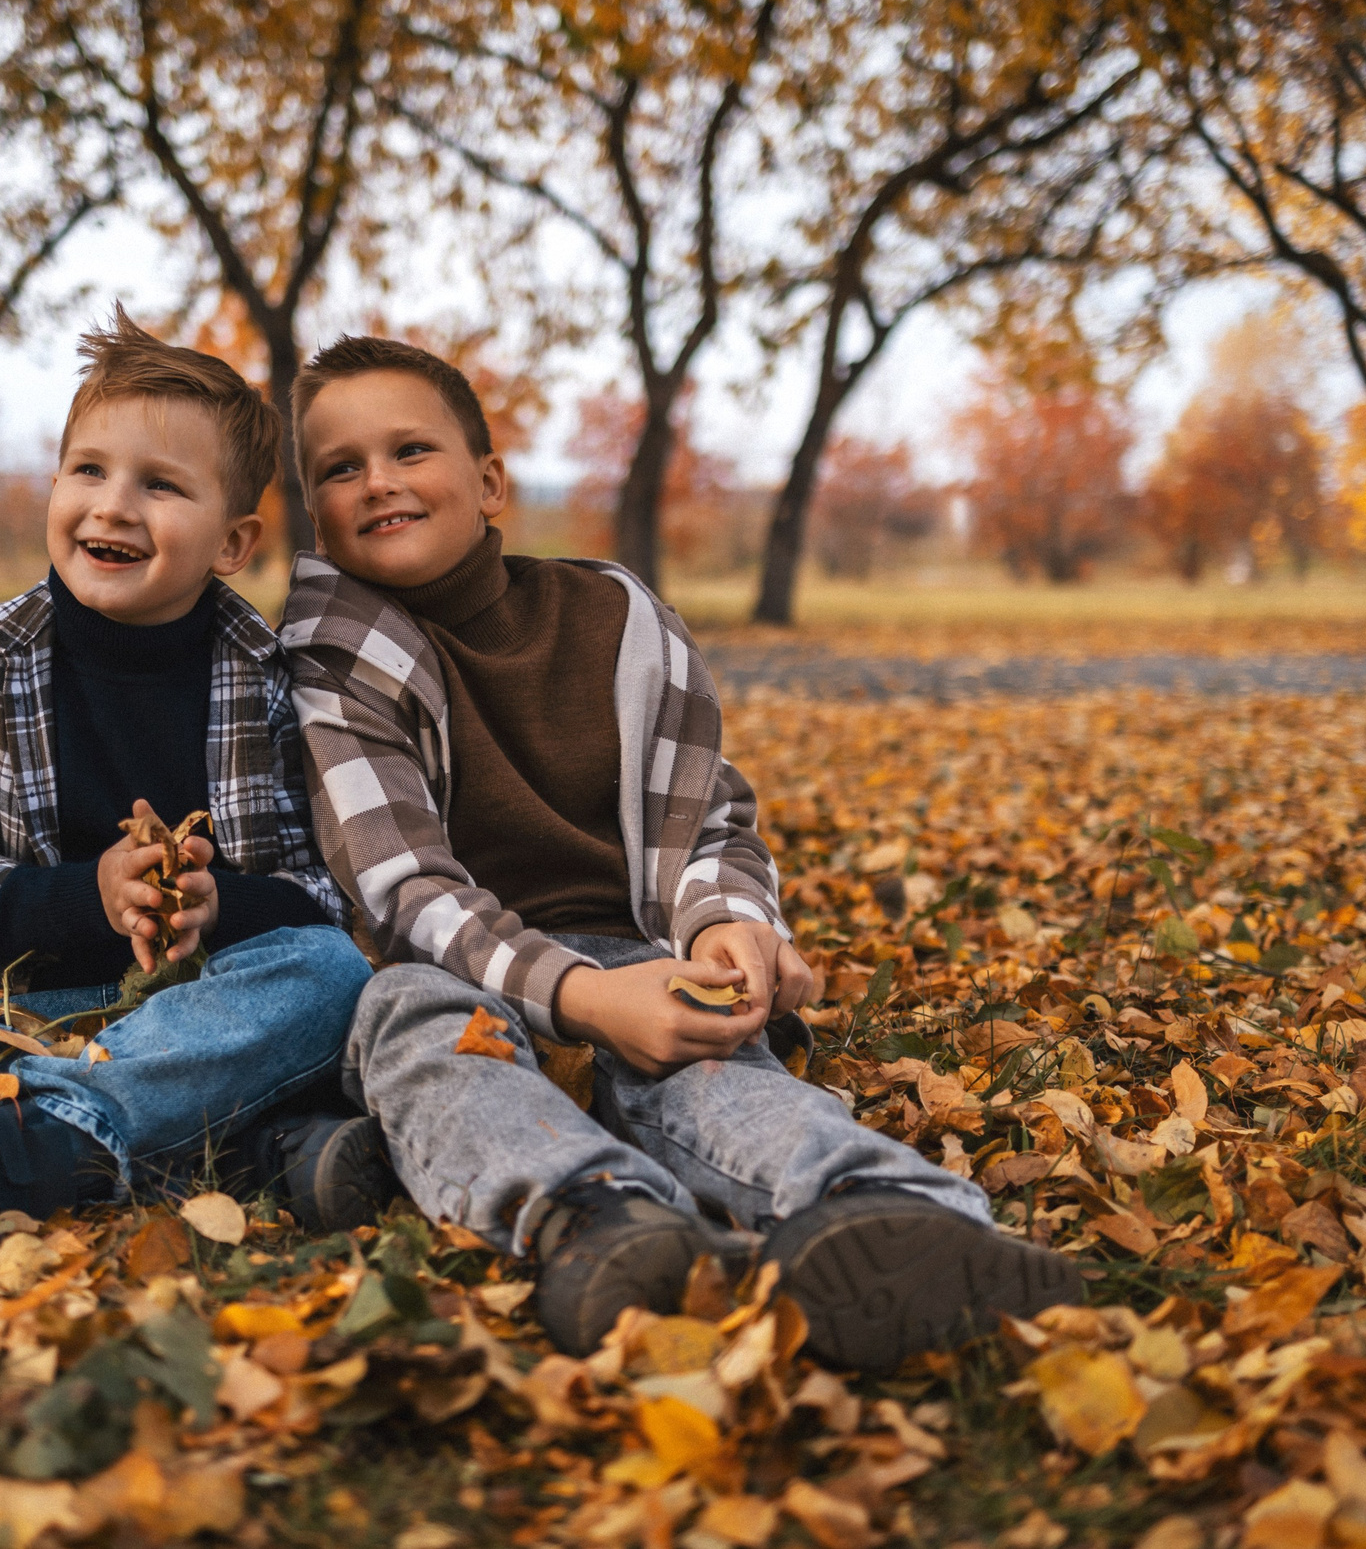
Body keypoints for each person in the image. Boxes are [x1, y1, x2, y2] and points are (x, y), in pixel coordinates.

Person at [279, 335, 1082, 1367]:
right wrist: (581, 999)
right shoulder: (331, 665)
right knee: (411, 1026)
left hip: (637, 955)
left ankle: (888, 1210)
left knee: (718, 1076)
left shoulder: (619, 622)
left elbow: (707, 815)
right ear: (318, 516)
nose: (378, 480)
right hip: (452, 974)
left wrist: (727, 922)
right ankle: (599, 1220)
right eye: (341, 469)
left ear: (488, 483)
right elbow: (403, 890)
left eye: (408, 450)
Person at [0, 309, 388, 1257]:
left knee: (332, 975)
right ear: (55, 486)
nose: (113, 505)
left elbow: (324, 892)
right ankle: (254, 1149)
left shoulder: (267, 679)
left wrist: (216, 907)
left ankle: (21, 1151)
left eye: (161, 485)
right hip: (29, 1018)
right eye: (88, 470)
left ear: (232, 541)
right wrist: (89, 897)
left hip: (206, 1004)